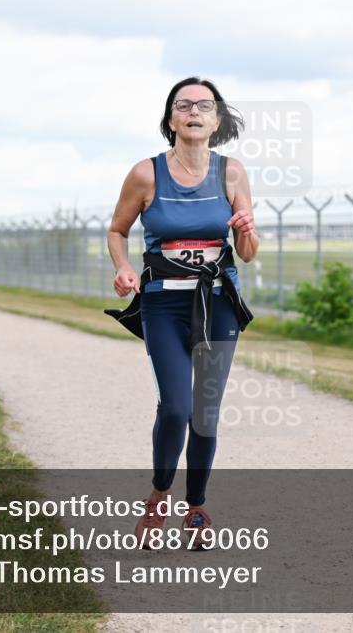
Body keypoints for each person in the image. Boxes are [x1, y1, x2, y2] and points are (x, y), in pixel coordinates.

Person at [105, 77, 258, 549]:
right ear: (171, 118)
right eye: (184, 104)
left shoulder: (232, 173)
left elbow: (247, 253)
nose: (194, 111)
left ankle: (197, 509)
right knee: (176, 406)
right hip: (164, 303)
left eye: (205, 106)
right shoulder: (146, 174)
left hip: (218, 304)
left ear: (216, 120)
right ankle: (159, 496)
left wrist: (247, 229)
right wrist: (125, 267)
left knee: (205, 414)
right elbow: (117, 230)